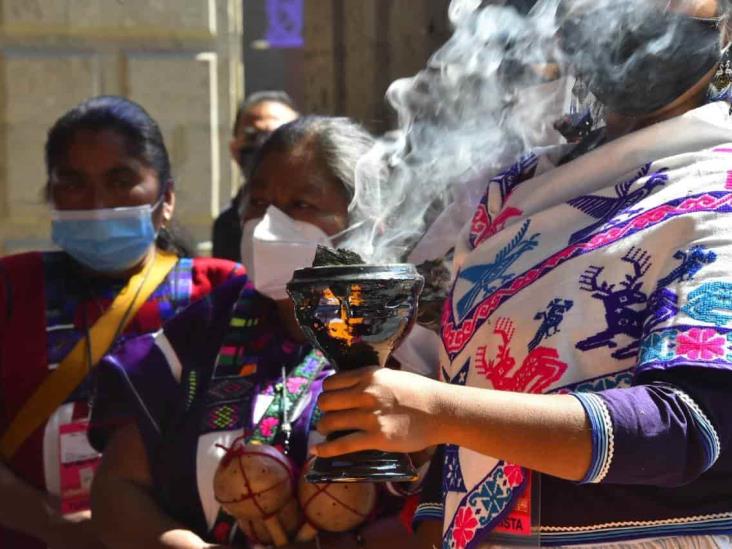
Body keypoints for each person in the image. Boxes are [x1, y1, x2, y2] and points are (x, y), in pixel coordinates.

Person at [313, 0, 732, 547]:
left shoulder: (716, 185)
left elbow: (686, 430)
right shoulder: (518, 195)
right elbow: (470, 430)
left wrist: (441, 412)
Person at [90, 116, 420, 549]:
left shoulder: (415, 346)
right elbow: (118, 488)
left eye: (301, 204)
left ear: (365, 221)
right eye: (258, 201)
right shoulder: (199, 335)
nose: (267, 225)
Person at [0, 96, 243, 549]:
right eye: (73, 182)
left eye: (120, 180)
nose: (96, 202)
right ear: (51, 194)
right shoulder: (10, 289)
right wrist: (54, 529)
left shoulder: (222, 293)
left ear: (165, 198)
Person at [212, 91, 299, 262]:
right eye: (253, 136)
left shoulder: (328, 211)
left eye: (278, 137)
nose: (264, 145)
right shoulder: (228, 224)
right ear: (235, 149)